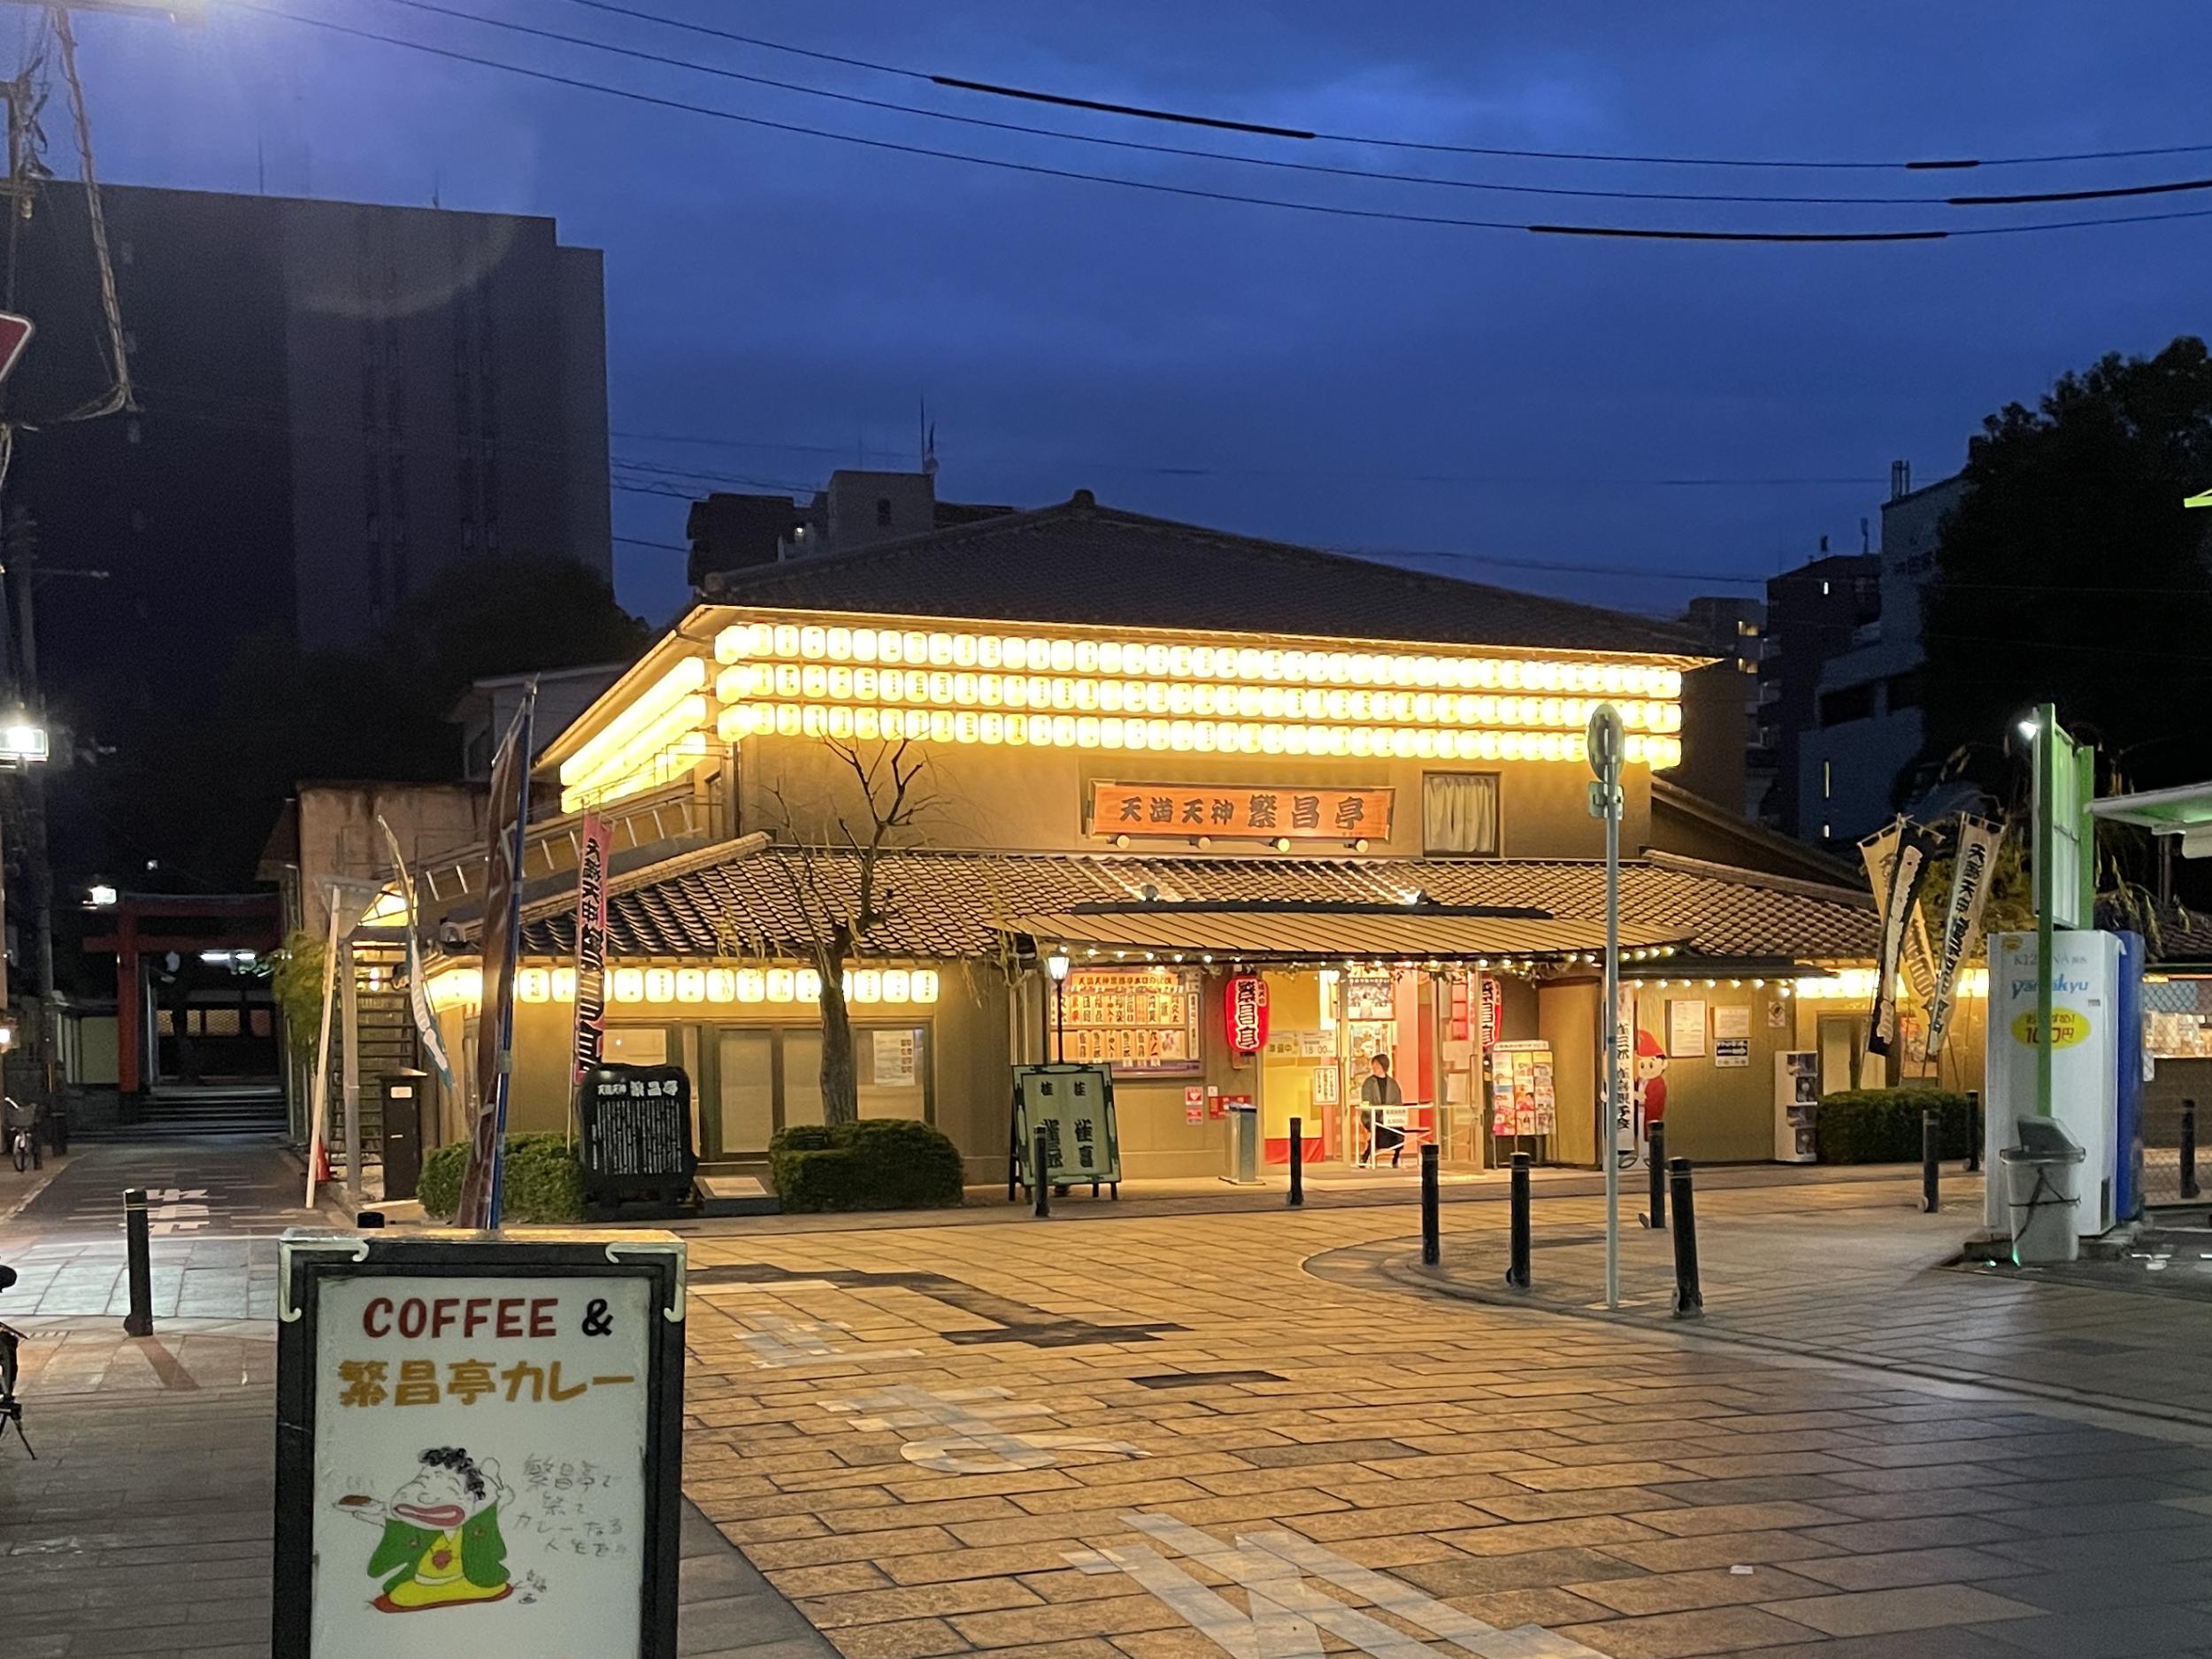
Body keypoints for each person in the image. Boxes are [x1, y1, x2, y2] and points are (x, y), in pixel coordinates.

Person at [1361, 1053, 1406, 1166]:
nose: (1374, 1067)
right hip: (1373, 1117)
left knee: (1399, 1131)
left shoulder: (1393, 1084)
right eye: (1374, 1064)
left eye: (1377, 1064)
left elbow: (1398, 1102)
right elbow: (1366, 1101)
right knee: (1379, 1128)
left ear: (1384, 1066)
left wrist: (1391, 1113)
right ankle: (1367, 1154)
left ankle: (1395, 1157)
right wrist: (1376, 1113)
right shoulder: (1368, 1083)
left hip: (1390, 1117)